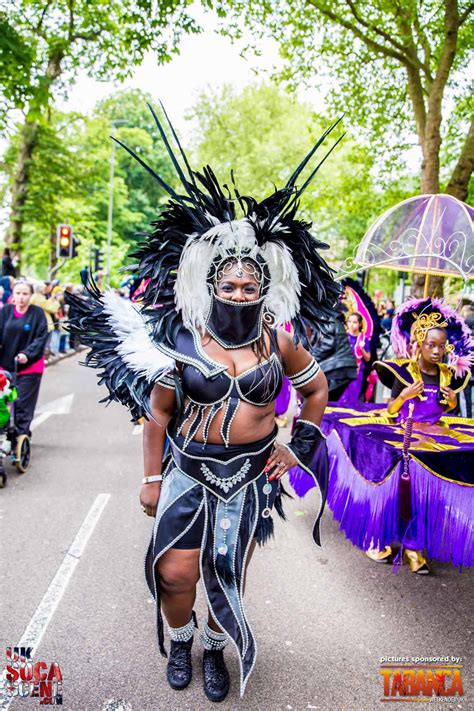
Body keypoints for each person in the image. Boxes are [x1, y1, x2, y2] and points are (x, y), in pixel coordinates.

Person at [67, 112, 342, 702]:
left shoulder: (279, 340)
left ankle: (215, 649)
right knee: (175, 572)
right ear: (210, 283)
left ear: (263, 288)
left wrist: (299, 446)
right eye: (230, 285)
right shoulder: (185, 340)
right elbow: (158, 412)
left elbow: (316, 393)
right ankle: (182, 636)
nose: (239, 294)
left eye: (250, 287)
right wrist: (148, 478)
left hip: (248, 477)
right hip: (187, 472)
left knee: (226, 573)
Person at [369, 297, 472, 572]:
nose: (437, 351)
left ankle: (415, 546)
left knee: (428, 496)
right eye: (431, 345)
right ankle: (390, 541)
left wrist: (450, 403)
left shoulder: (448, 376)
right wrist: (404, 395)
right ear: (419, 345)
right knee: (402, 495)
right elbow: (391, 411)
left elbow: (446, 409)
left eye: (442, 346)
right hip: (407, 439)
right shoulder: (404, 372)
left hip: (435, 441)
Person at [0, 280, 48, 436]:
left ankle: (21, 435)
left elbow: (41, 338)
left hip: (30, 367)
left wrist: (27, 354)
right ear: (13, 294)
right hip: (5, 365)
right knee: (3, 402)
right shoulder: (5, 312)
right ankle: (5, 431)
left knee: (21, 403)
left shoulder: (37, 314)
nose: (21, 297)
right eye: (18, 293)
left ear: (31, 295)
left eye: (25, 294)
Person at [339, 312, 371, 403]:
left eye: (354, 322)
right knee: (342, 397)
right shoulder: (343, 336)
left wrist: (362, 349)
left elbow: (368, 358)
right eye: (349, 322)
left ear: (360, 324)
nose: (351, 325)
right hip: (343, 371)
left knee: (353, 397)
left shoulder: (363, 339)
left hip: (357, 372)